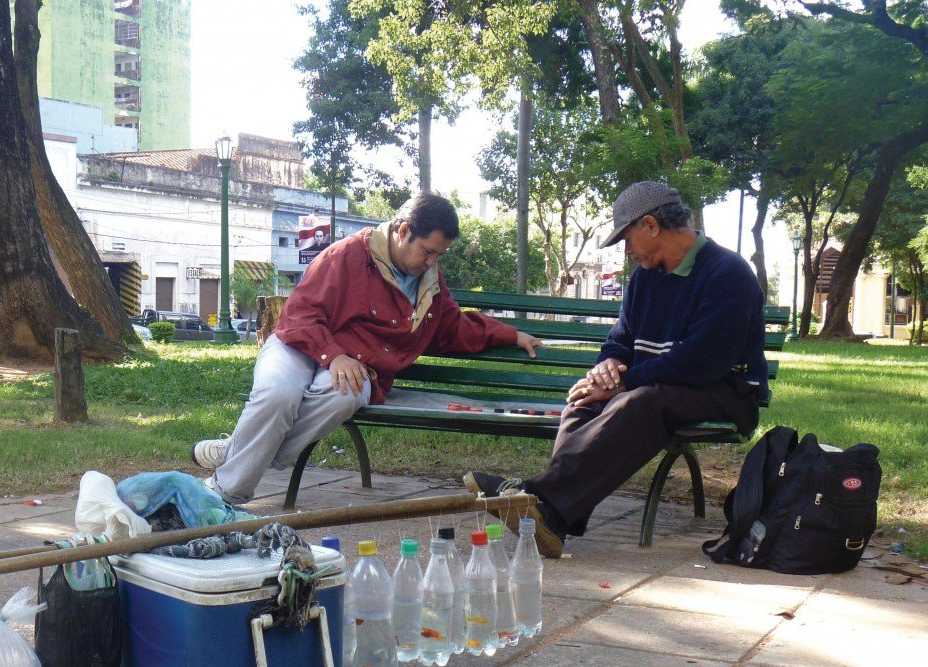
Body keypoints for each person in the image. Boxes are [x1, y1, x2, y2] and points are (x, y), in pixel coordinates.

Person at [463, 181, 767, 558]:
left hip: (726, 392)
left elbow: (704, 360)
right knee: (582, 400)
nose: (625, 252)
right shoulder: (645, 276)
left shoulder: (728, 273)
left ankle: (539, 500)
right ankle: (554, 519)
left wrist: (626, 382)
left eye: (626, 238)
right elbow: (621, 338)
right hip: (661, 386)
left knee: (638, 402)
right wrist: (607, 366)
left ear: (651, 226)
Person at [192, 193, 542, 505]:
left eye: (440, 254)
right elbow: (300, 315)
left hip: (357, 368)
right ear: (403, 232)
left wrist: (510, 335)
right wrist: (333, 355)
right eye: (428, 251)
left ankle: (241, 451)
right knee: (278, 393)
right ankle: (226, 494)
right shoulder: (345, 255)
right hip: (298, 345)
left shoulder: (431, 283)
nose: (432, 262)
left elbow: (452, 328)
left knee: (345, 394)